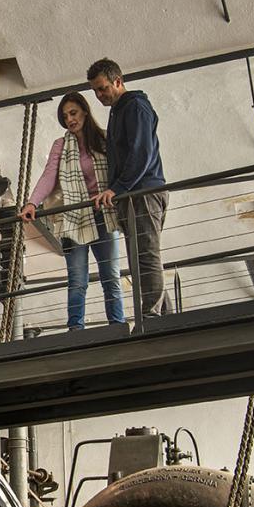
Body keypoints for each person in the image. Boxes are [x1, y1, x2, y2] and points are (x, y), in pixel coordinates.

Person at [20, 92, 126, 330]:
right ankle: (76, 329)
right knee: (78, 279)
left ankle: (117, 325)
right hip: (74, 217)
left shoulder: (104, 139)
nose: (70, 119)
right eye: (65, 116)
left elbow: (118, 172)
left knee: (110, 274)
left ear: (85, 112)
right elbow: (49, 176)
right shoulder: (61, 145)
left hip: (103, 214)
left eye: (73, 113)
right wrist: (31, 203)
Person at [87, 58, 169, 317]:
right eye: (96, 91)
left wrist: (117, 188)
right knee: (141, 255)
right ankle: (163, 313)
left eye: (102, 88)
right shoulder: (119, 111)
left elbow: (140, 153)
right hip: (133, 194)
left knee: (144, 254)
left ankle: (152, 315)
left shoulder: (134, 107)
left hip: (143, 192)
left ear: (118, 81)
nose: (99, 95)